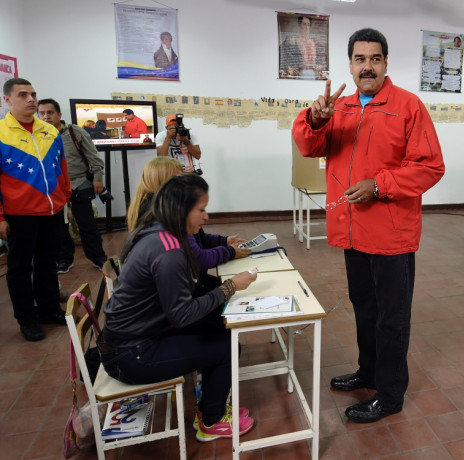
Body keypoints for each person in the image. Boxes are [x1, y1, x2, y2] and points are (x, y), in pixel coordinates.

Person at [292, 28, 445, 423]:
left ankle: (390, 394)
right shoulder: (338, 108)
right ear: (350, 65)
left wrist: (380, 185)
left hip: (392, 236)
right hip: (353, 232)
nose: (367, 66)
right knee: (364, 308)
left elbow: (430, 166)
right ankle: (369, 371)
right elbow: (309, 146)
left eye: (375, 59)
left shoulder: (408, 106)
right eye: (360, 59)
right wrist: (314, 117)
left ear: (386, 63)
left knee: (391, 319)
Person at [100, 174, 257, 442]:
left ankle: (209, 402)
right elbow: (182, 315)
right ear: (181, 210)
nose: (206, 217)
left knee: (222, 328)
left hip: (136, 337)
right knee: (227, 346)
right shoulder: (169, 251)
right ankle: (212, 421)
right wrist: (229, 287)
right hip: (131, 355)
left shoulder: (159, 231)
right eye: (201, 210)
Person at [0, 78, 72, 342]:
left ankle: (49, 309)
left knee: (47, 263)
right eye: (22, 95)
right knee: (19, 268)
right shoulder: (0, 133)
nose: (31, 99)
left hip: (52, 211)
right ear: (7, 100)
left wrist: (65, 200)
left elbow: (61, 168)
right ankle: (27, 318)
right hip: (19, 215)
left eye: (33, 94)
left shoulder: (50, 130)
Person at [126, 157, 249, 291]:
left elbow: (195, 239)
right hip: (177, 290)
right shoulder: (167, 213)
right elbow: (197, 259)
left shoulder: (150, 206)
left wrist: (223, 241)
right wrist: (230, 252)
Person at [37, 98, 108, 272]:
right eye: (42, 113)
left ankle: (98, 257)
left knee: (87, 225)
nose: (46, 117)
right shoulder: (37, 136)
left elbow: (94, 157)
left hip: (78, 184)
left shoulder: (75, 132)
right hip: (53, 189)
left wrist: (98, 178)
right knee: (59, 228)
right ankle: (64, 260)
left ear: (59, 115)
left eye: (50, 112)